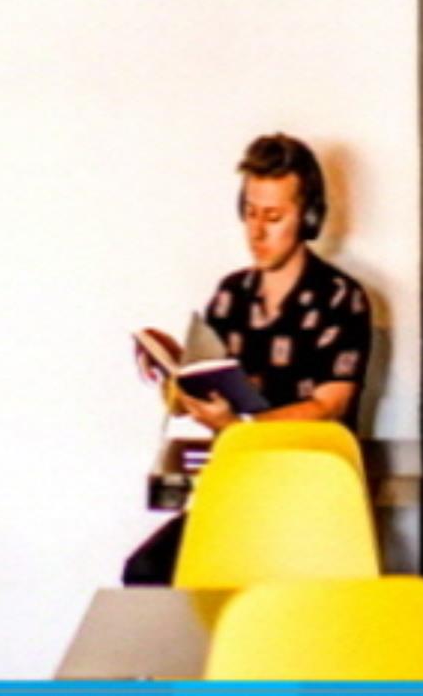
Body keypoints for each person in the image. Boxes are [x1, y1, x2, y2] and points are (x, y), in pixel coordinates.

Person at [121, 132, 373, 586]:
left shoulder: (342, 298)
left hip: (309, 501)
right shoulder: (230, 295)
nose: (256, 231)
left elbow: (329, 405)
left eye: (273, 217)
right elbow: (204, 388)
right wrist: (173, 372)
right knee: (145, 572)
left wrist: (241, 429)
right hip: (238, 490)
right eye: (251, 213)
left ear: (308, 217)